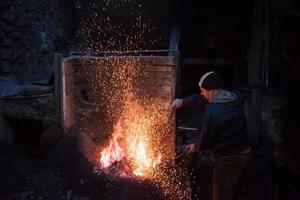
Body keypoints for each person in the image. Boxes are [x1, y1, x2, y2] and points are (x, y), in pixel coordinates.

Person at [172, 71, 251, 200]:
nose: (201, 93)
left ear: (212, 91)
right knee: (234, 190)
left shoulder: (213, 112)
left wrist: (195, 146)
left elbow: (206, 139)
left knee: (221, 194)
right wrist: (182, 101)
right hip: (244, 152)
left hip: (229, 159)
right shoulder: (232, 98)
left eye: (203, 90)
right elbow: (200, 98)